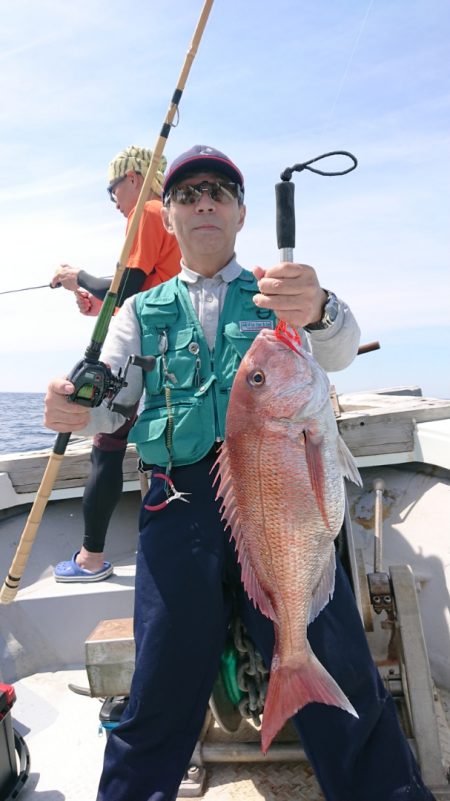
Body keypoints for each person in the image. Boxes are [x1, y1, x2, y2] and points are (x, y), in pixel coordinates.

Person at [44, 145, 436, 801]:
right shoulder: (139, 313)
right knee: (161, 682)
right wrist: (72, 408)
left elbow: (337, 347)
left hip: (282, 500)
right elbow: (111, 401)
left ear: (241, 214)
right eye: (188, 194)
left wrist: (321, 306)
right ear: (166, 218)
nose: (203, 202)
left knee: (341, 668)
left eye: (218, 192)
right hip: (178, 505)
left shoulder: (280, 293)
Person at [50, 145, 181, 582]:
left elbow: (130, 286)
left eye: (112, 188)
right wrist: (93, 303)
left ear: (132, 178)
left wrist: (77, 276)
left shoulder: (148, 208)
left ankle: (90, 559)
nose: (112, 199)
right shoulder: (156, 216)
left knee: (106, 445)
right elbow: (132, 291)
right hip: (165, 339)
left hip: (145, 344)